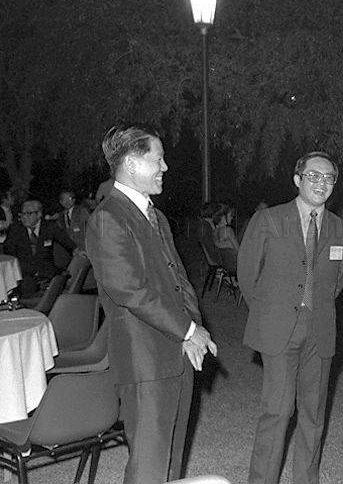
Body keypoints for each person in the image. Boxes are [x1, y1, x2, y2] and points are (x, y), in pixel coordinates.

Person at [85, 125, 217, 483]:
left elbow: (179, 279)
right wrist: (188, 329)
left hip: (178, 352)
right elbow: (129, 289)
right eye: (157, 159)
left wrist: (192, 331)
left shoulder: (154, 215)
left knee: (171, 462)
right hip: (145, 359)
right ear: (130, 163)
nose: (165, 167)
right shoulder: (108, 218)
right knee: (149, 465)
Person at [238, 150, 343, 484]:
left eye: (328, 178)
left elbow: (338, 282)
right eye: (313, 176)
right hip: (278, 330)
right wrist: (271, 313)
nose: (321, 183)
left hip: (320, 332)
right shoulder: (269, 219)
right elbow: (248, 275)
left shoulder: (342, 230)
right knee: (277, 411)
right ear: (297, 179)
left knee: (313, 415)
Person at [4, 199, 78, 298]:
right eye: (22, 214)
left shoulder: (49, 227)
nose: (25, 217)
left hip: (46, 270)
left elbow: (66, 240)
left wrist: (76, 250)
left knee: (58, 283)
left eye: (29, 214)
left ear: (39, 214)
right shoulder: (16, 229)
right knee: (26, 286)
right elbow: (8, 250)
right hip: (25, 272)